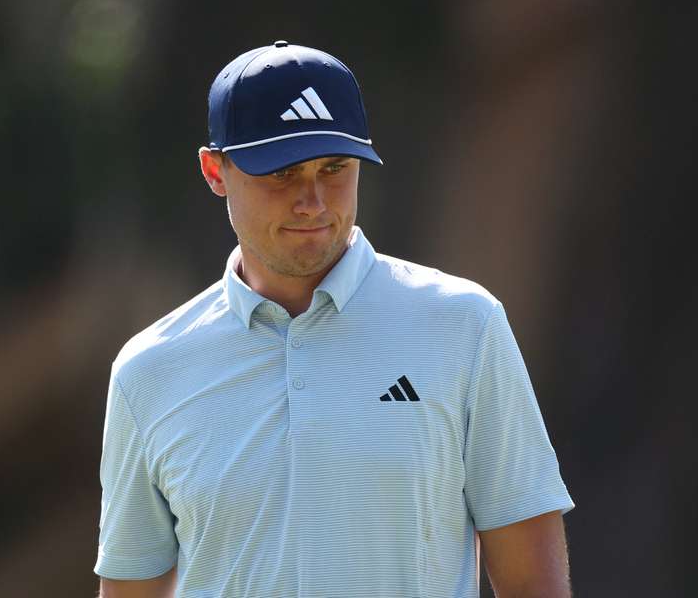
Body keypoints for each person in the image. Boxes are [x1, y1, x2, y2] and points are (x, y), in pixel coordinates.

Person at [94, 40, 575, 598]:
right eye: (282, 173)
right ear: (215, 170)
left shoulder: (465, 326)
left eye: (334, 168)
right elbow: (134, 588)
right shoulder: (148, 370)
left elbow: (532, 581)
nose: (314, 201)